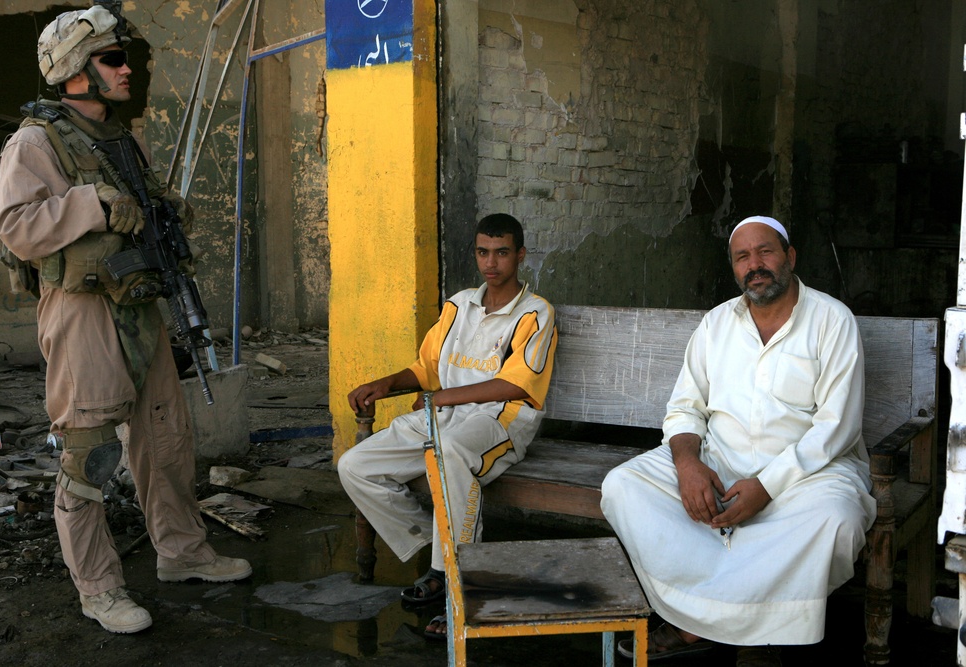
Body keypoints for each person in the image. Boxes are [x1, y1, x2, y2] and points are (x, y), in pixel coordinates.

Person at [0, 6, 250, 635]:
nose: (125, 68)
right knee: (89, 455)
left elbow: (139, 209)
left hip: (138, 305)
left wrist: (164, 209)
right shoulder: (35, 142)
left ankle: (182, 553)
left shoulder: (121, 139)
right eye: (112, 59)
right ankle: (100, 588)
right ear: (77, 72)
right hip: (82, 313)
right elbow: (17, 228)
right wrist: (89, 202)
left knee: (164, 437)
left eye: (123, 57)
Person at [600, 216, 876, 667]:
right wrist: (688, 466)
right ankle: (718, 618)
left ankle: (719, 625)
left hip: (805, 475)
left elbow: (835, 428)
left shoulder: (832, 320)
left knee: (839, 520)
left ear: (789, 256)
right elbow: (684, 408)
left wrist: (767, 485)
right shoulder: (716, 324)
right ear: (733, 267)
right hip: (718, 462)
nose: (755, 265)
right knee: (622, 486)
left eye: (765, 252)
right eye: (742, 257)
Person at [338, 213, 557, 636]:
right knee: (355, 466)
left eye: (502, 253)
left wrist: (440, 397)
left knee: (450, 454)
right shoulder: (459, 305)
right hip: (442, 415)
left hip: (500, 423)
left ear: (521, 256)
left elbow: (514, 386)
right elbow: (427, 369)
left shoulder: (535, 313)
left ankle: (460, 586)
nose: (491, 263)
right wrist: (386, 383)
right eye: (482, 252)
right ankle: (436, 552)